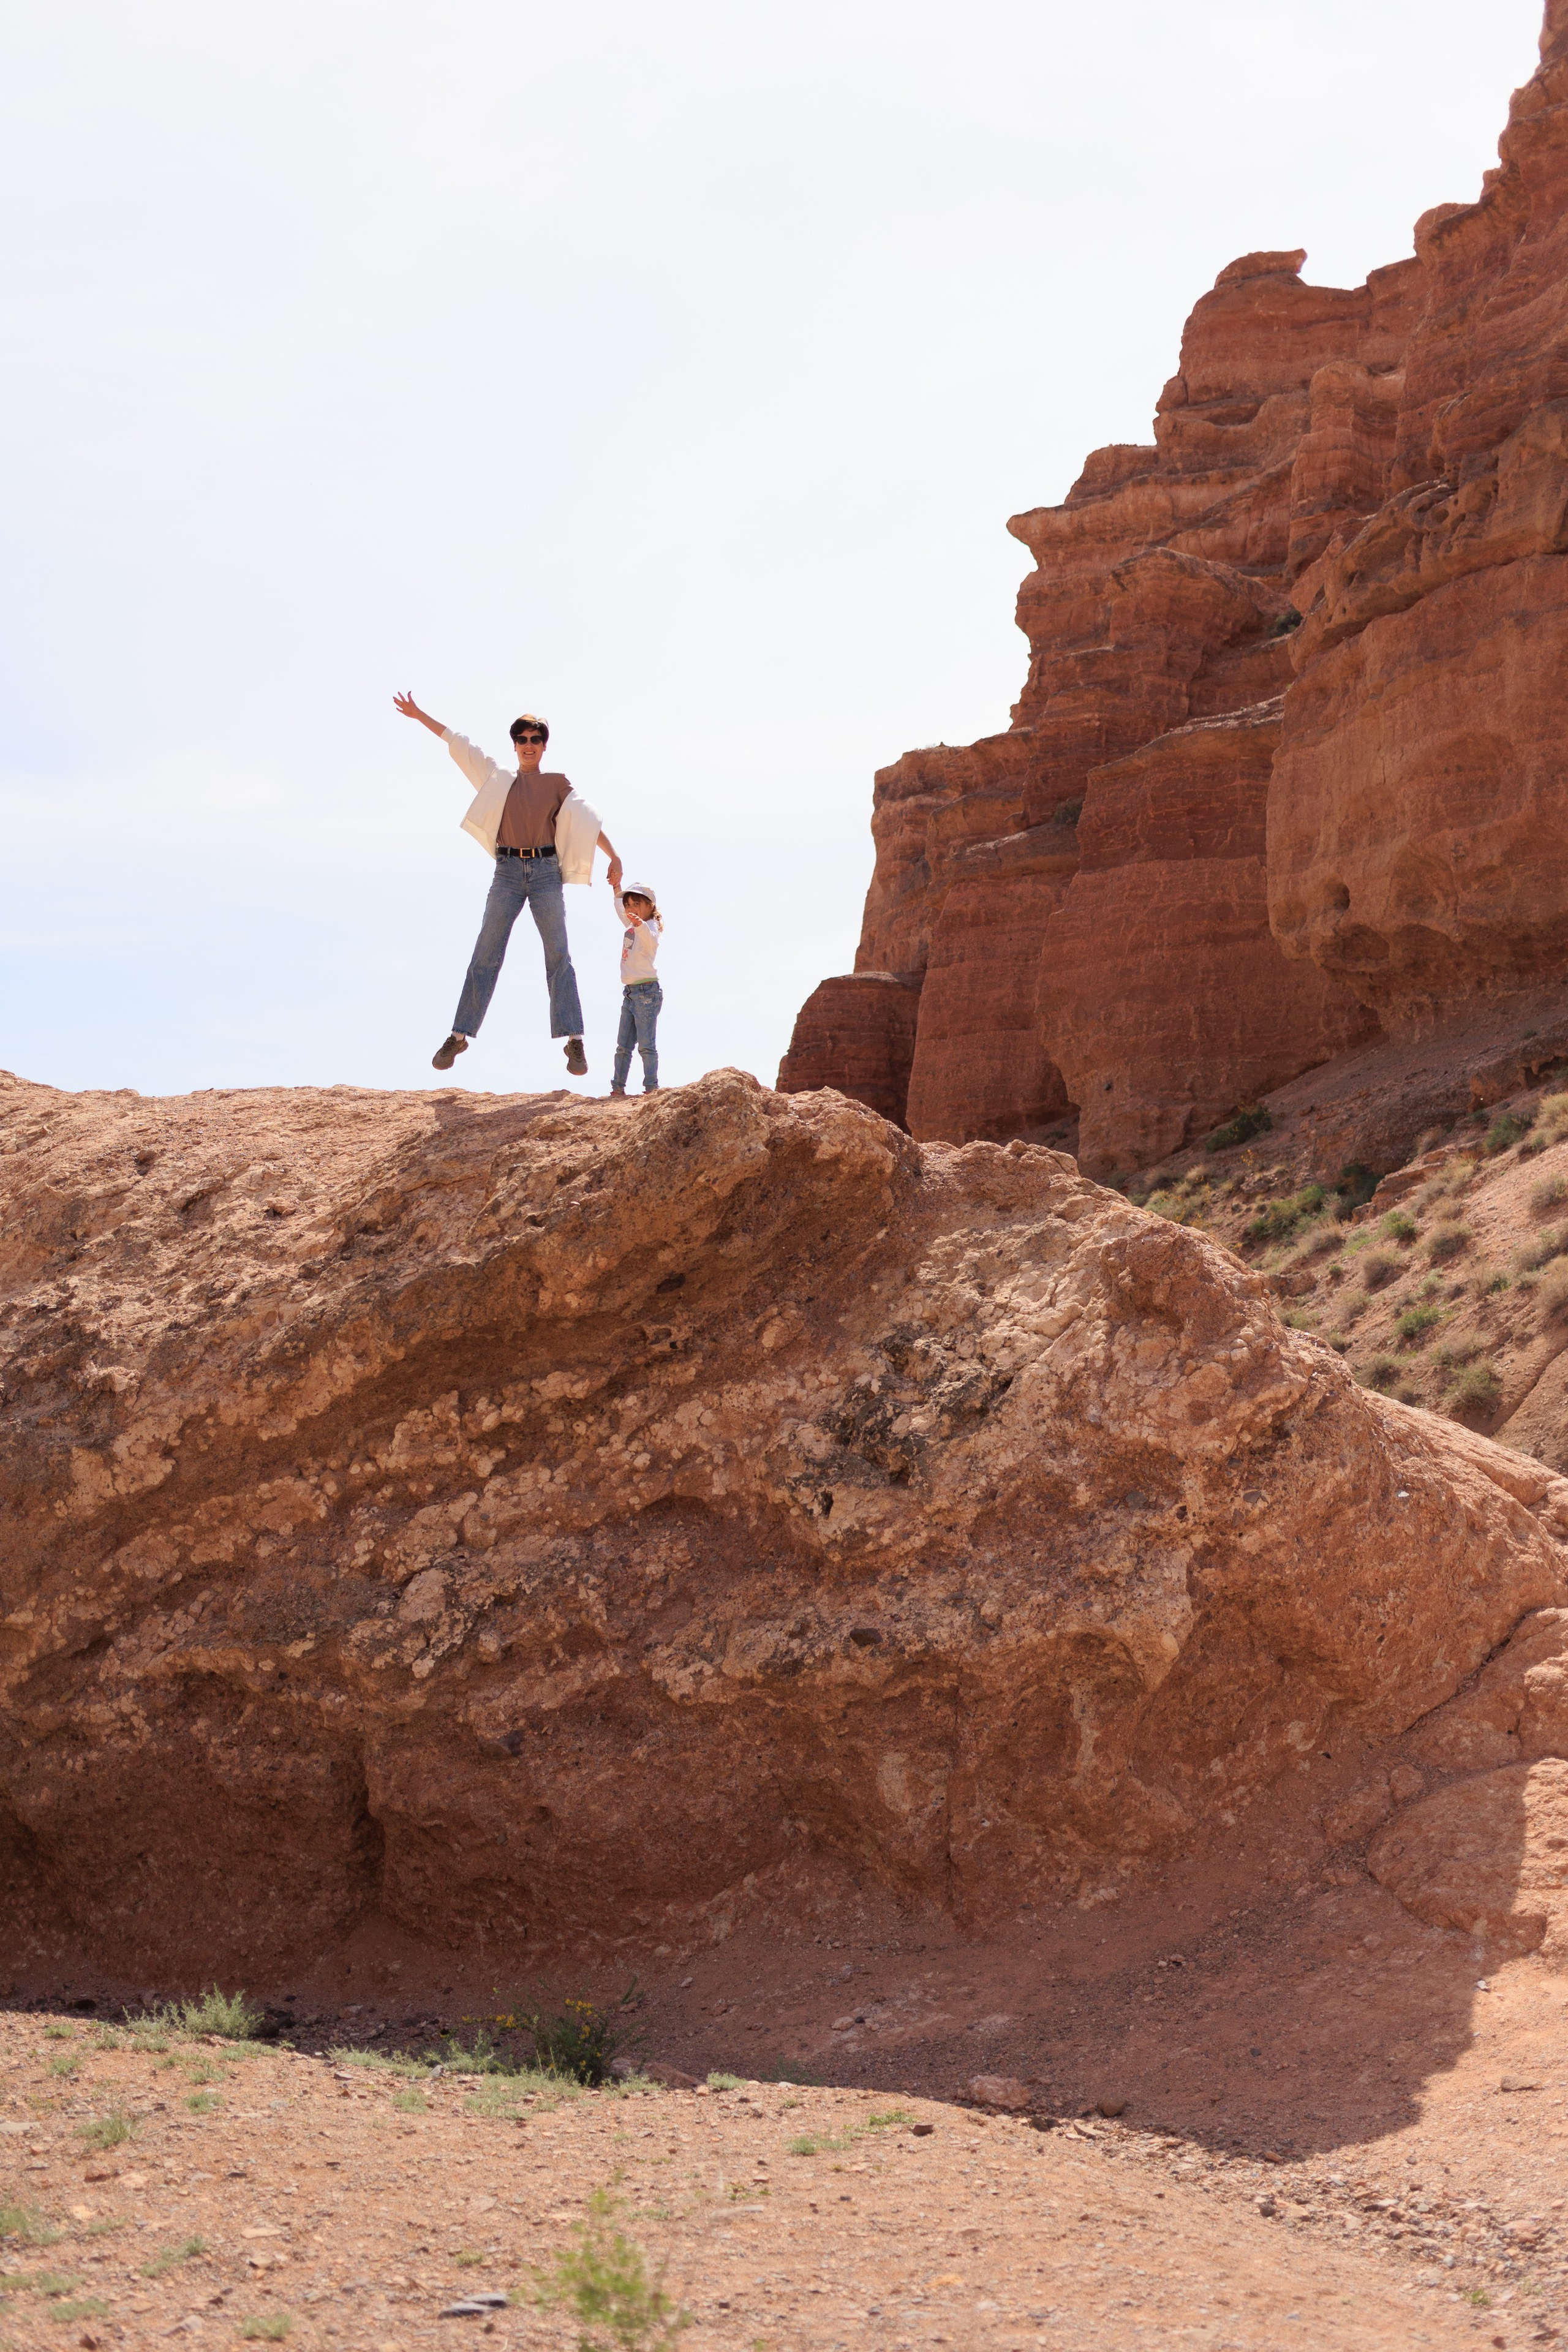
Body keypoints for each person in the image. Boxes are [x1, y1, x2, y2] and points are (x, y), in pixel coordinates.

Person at [393, 692, 622, 1077]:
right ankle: (459, 1035)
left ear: (544, 746)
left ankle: (574, 1040)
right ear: (514, 745)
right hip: (508, 873)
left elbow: (587, 820)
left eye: (536, 739)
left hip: (546, 872)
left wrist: (614, 856)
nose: (529, 745)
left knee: (558, 955)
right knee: (486, 952)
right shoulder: (498, 778)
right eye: (522, 739)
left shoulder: (556, 783)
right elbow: (460, 744)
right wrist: (419, 716)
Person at [608, 879, 663, 1096]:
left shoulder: (650, 926)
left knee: (646, 1045)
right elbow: (619, 908)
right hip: (630, 993)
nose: (631, 909)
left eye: (636, 904)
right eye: (628, 905)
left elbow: (651, 941)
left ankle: (651, 1088)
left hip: (647, 992)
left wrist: (639, 924)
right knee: (623, 1045)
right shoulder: (632, 925)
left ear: (650, 906)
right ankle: (617, 1087)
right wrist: (616, 887)